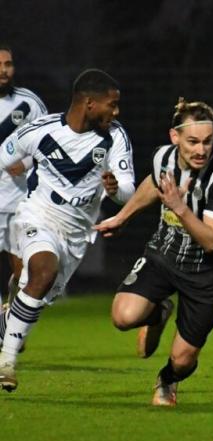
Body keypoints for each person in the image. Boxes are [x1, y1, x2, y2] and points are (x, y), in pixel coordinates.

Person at [94, 98, 213, 407]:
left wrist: (180, 208)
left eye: (207, 141)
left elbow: (212, 241)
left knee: (183, 361)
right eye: (193, 141)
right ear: (175, 137)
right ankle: (157, 314)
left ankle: (167, 380)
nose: (201, 150)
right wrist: (122, 218)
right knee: (122, 317)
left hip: (207, 274)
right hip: (163, 256)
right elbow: (152, 184)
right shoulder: (163, 157)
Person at [0, 68, 135, 391]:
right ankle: (7, 362)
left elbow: (128, 190)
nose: (115, 112)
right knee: (42, 272)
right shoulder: (40, 130)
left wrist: (115, 188)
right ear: (89, 103)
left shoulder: (115, 136)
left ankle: (6, 320)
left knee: (38, 293)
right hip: (37, 215)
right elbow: (4, 156)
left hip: (76, 234)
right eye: (111, 105)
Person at [0, 44, 48, 306]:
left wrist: (27, 162)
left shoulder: (28, 103)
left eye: (7, 64)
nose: (3, 70)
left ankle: (13, 313)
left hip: (18, 199)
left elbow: (49, 141)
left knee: (22, 271)